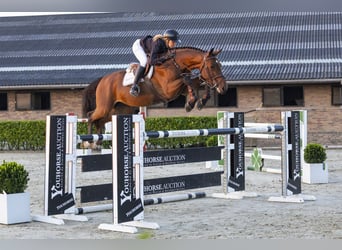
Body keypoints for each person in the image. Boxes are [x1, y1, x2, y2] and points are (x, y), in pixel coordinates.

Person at [129, 29, 181, 97]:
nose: (174, 44)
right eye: (173, 42)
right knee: (144, 61)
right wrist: (165, 58)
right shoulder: (158, 43)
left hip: (147, 48)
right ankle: (134, 86)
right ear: (167, 40)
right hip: (138, 46)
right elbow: (152, 61)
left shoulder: (166, 45)